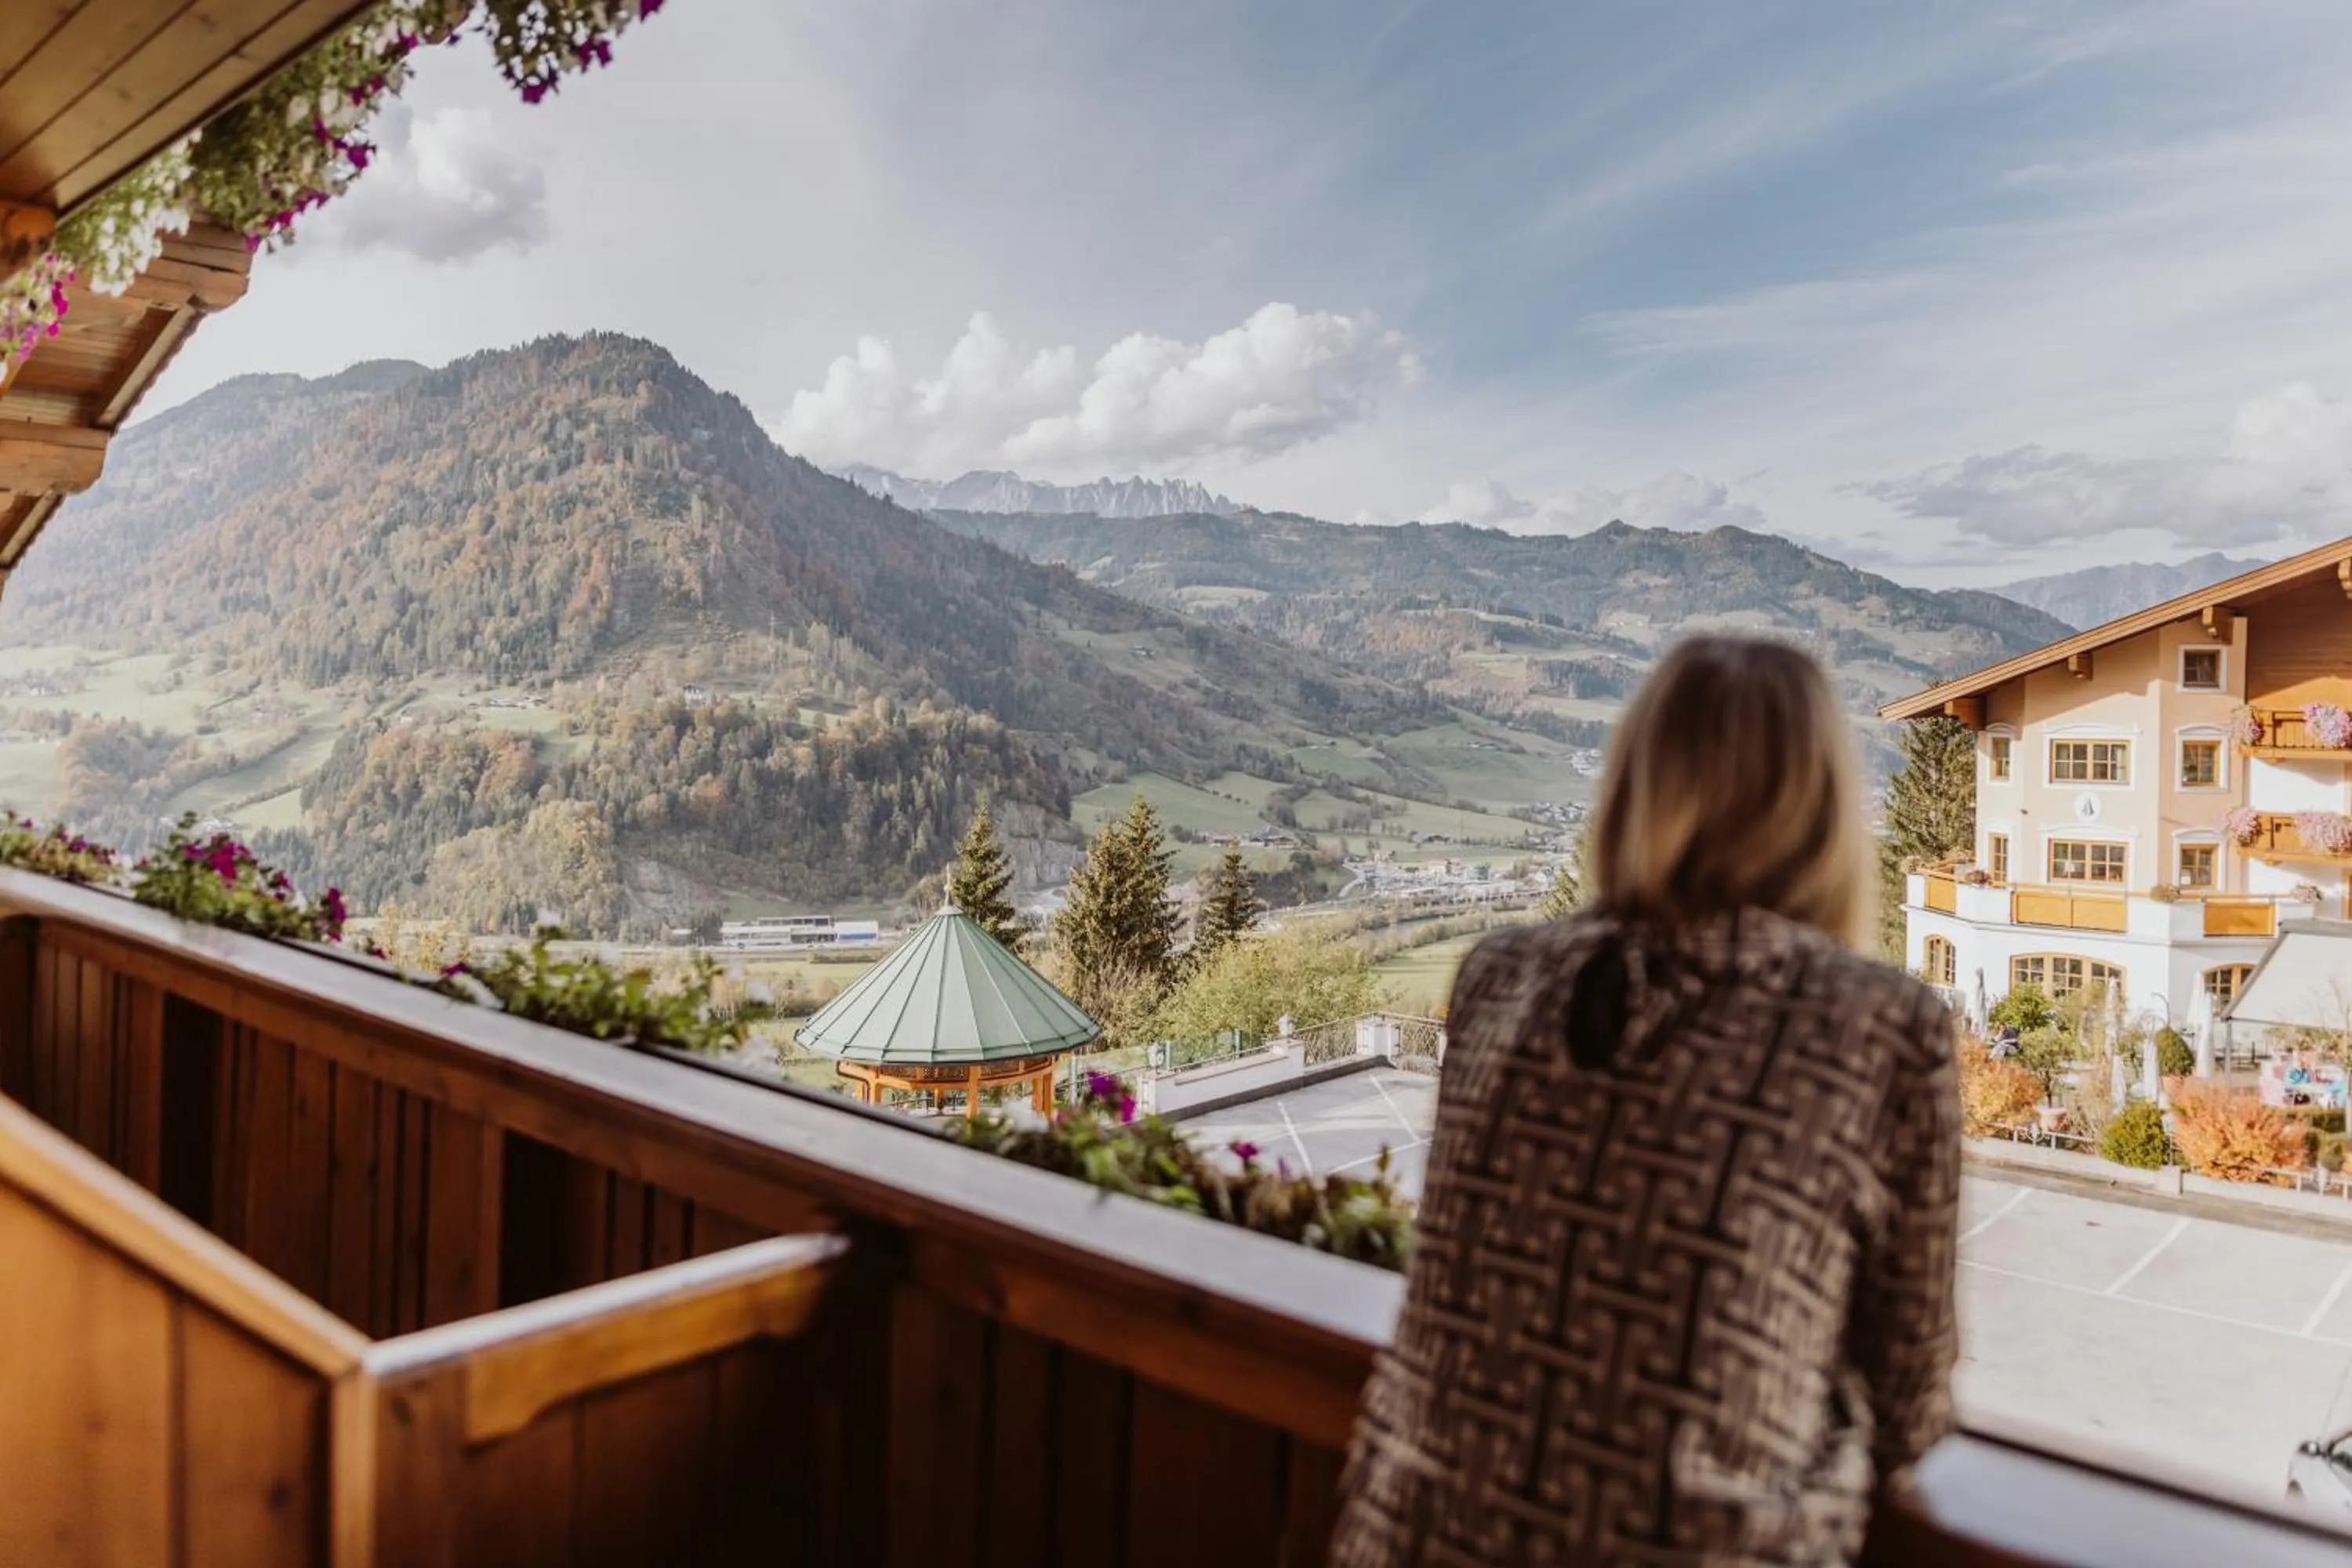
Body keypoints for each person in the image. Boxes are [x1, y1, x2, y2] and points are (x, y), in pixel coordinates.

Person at [1334, 636, 1961, 1567]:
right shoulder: (1881, 1026)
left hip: (1415, 1532)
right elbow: (1910, 1401)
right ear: (1825, 812)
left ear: (1632, 787)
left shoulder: (1498, 976)